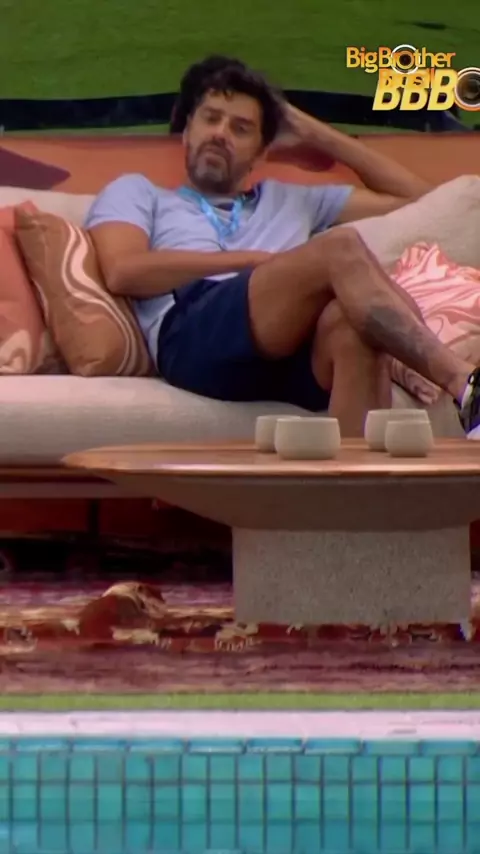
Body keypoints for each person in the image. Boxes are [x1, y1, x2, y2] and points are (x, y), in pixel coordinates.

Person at [85, 55, 480, 437]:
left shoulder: (295, 200)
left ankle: (354, 479)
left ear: (261, 151)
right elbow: (123, 271)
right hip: (194, 337)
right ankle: (463, 383)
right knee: (340, 247)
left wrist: (317, 134)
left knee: (352, 325)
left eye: (241, 128)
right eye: (211, 118)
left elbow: (433, 203)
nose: (221, 133)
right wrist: (257, 262)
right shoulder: (140, 192)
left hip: (292, 348)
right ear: (187, 130)